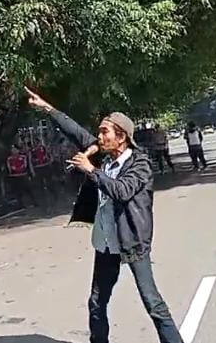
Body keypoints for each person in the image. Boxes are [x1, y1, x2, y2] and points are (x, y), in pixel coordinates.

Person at [24, 86, 184, 343]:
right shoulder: (104, 157)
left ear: (121, 137)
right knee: (97, 302)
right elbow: (75, 131)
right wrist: (47, 108)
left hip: (132, 242)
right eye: (99, 132)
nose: (99, 137)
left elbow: (122, 191)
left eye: (104, 132)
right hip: (107, 243)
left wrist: (90, 169)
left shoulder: (140, 164)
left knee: (152, 302)